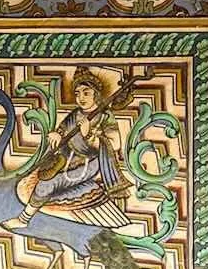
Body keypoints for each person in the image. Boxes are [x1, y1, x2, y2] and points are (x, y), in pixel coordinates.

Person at [8, 69, 133, 230]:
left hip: (89, 162)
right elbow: (63, 131)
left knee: (48, 183)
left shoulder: (105, 116)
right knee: (35, 174)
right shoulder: (75, 114)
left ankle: (24, 219)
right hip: (67, 158)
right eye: (78, 93)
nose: (81, 98)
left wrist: (88, 135)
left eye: (86, 93)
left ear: (95, 94)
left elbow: (114, 144)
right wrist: (57, 135)